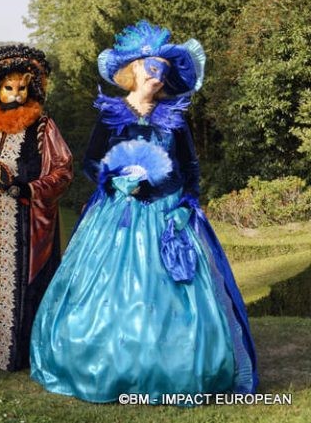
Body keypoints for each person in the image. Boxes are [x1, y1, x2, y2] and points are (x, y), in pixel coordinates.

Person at [30, 21, 258, 402]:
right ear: (134, 70)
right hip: (117, 214)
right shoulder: (109, 115)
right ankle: (108, 363)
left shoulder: (176, 118)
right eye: (152, 67)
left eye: (164, 71)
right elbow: (90, 162)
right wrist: (111, 181)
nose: (158, 75)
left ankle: (177, 365)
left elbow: (190, 171)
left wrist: (188, 205)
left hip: (168, 213)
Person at [0, 44, 73, 372]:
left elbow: (63, 169)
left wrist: (30, 188)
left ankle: (15, 353)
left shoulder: (42, 126)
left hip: (22, 223)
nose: (16, 94)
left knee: (19, 281)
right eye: (9, 87)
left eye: (22, 87)